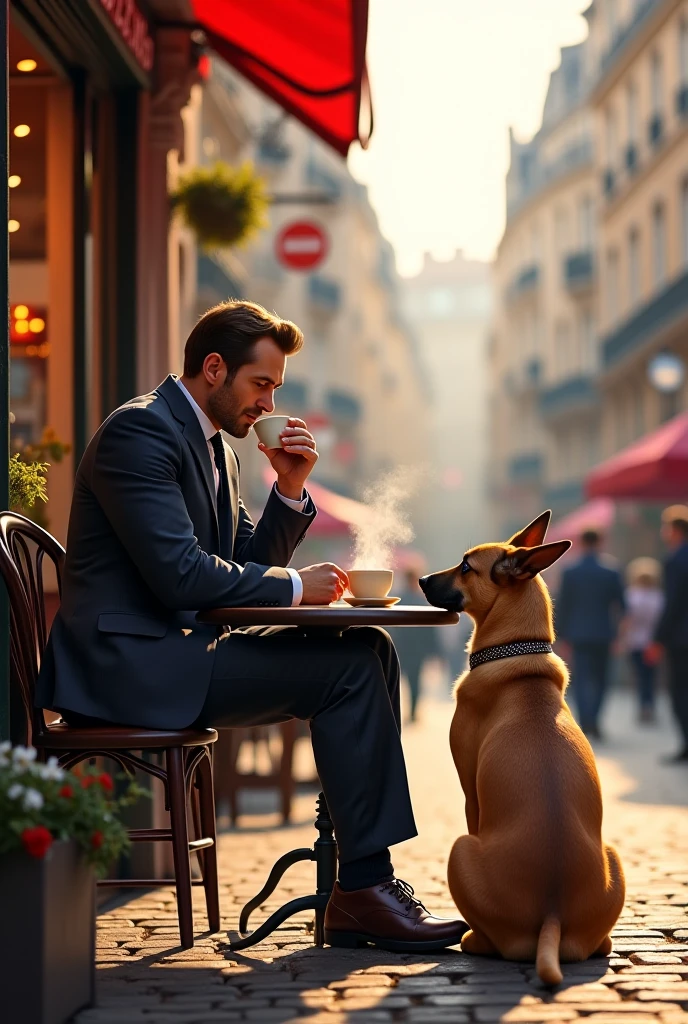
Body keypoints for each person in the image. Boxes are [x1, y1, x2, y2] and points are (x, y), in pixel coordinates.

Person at [36, 299, 465, 951]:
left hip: (180, 652)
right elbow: (182, 576)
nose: (268, 404)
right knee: (347, 669)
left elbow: (242, 562)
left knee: (369, 646)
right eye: (261, 384)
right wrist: (296, 586)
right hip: (130, 667)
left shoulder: (216, 449)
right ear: (214, 369)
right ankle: (364, 889)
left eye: (275, 389)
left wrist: (290, 491)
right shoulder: (141, 432)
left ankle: (363, 882)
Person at [556, 528, 625, 739]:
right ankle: (595, 720)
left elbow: (563, 606)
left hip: (577, 634)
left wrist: (561, 636)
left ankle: (585, 721)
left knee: (581, 679)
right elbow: (622, 606)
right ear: (600, 542)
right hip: (604, 633)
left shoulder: (570, 571)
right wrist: (619, 636)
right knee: (601, 679)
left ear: (581, 543)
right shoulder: (611, 571)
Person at [646, 506, 688, 763]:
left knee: (680, 691)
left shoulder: (675, 560)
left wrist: (658, 639)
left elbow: (672, 604)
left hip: (681, 639)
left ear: (674, 530)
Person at [392, 568, 441, 723]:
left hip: (404, 648)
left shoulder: (399, 600)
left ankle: (407, 712)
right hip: (414, 649)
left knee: (402, 681)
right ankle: (412, 712)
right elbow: (430, 629)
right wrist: (433, 650)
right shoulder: (420, 601)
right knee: (413, 681)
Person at [621, 558, 663, 724]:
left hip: (635, 642)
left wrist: (622, 638)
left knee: (638, 675)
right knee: (651, 676)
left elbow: (627, 620)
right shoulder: (659, 597)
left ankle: (642, 705)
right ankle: (650, 704)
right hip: (653, 642)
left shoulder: (631, 595)